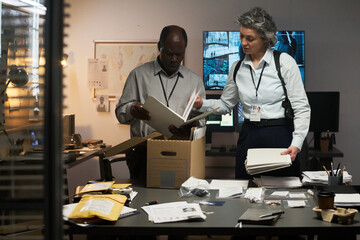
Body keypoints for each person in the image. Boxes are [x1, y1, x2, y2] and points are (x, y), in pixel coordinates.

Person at [194, 7, 310, 180]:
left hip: (279, 135)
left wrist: (297, 143)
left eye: (250, 38)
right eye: (241, 36)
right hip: (249, 135)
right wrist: (202, 104)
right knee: (245, 188)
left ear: (265, 38)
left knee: (284, 191)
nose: (244, 42)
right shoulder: (237, 68)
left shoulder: (284, 63)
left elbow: (301, 107)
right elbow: (226, 104)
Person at [115, 25, 206, 182]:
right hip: (143, 154)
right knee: (143, 202)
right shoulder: (138, 75)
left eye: (180, 54)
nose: (174, 59)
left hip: (180, 152)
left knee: (178, 202)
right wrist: (131, 109)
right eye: (169, 53)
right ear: (159, 47)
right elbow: (120, 113)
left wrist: (194, 125)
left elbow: (202, 120)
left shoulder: (195, 81)